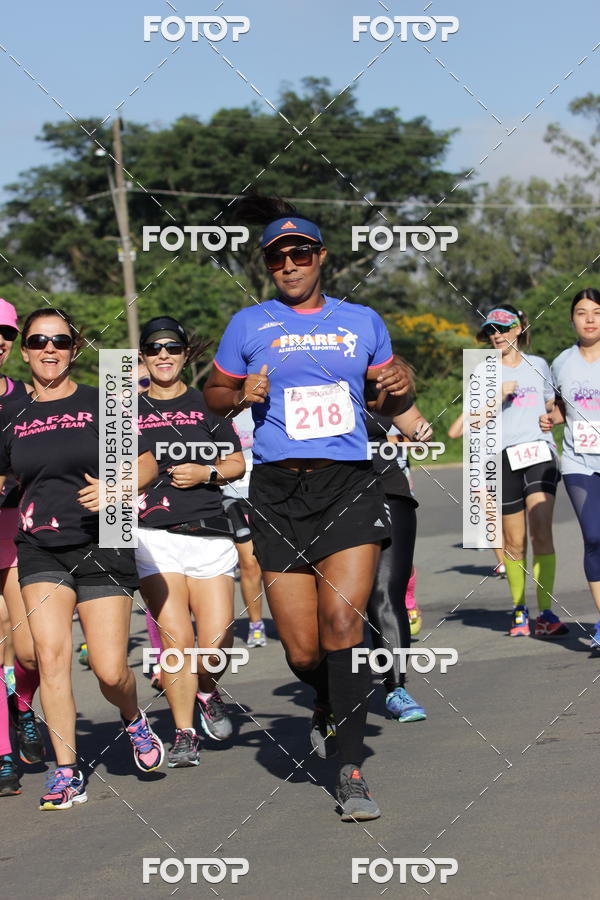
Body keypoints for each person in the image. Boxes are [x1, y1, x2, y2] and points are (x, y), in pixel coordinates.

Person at [204, 195, 411, 822]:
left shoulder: (362, 320)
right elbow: (213, 394)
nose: (289, 264)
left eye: (300, 253)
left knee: (344, 625)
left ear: (321, 257)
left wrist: (403, 383)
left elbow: (390, 390)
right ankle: (328, 698)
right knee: (301, 650)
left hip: (347, 484)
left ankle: (349, 771)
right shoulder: (248, 323)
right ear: (269, 265)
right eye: (278, 257)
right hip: (276, 492)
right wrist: (240, 390)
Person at [0, 307, 163, 810]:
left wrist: (117, 487)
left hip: (102, 540)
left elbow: (147, 462)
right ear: (24, 351)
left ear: (75, 347)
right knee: (50, 658)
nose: (50, 349)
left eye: (61, 341)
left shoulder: (104, 401)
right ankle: (66, 771)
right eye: (38, 341)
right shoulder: (9, 415)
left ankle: (133, 717)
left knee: (112, 670)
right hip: (39, 547)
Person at [136, 316, 245, 767]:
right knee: (176, 639)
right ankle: (183, 733)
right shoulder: (129, 412)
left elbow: (237, 461)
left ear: (185, 355)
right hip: (153, 537)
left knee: (216, 640)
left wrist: (208, 473)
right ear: (143, 356)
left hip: (208, 533)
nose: (164, 355)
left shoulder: (207, 406)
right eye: (155, 348)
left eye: (173, 348)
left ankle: (207, 690)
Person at [478, 305, 567, 637]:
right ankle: (519, 610)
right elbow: (471, 421)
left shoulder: (539, 365)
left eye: (503, 328)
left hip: (539, 452)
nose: (497, 335)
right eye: (491, 330)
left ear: (519, 329)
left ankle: (545, 612)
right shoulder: (483, 371)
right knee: (514, 542)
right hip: (501, 457)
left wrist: (551, 417)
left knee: (540, 530)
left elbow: (552, 406)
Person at [0, 299, 44, 798]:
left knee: (29, 650)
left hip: (18, 531)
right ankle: (4, 758)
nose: (0, 341)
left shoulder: (28, 399)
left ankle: (23, 703)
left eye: (7, 333)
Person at [541, 287, 600, 647]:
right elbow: (561, 408)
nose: (590, 319)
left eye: (596, 311)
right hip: (579, 460)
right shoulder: (561, 363)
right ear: (572, 319)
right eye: (581, 312)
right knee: (594, 537)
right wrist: (550, 418)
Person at [365, 397, 429, 723]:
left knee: (386, 590)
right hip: (327, 492)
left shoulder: (385, 384)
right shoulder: (307, 375)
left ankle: (396, 688)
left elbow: (413, 422)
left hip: (387, 484)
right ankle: (329, 693)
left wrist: (421, 430)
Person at [222, 406, 268, 648]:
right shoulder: (222, 412)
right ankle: (256, 623)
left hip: (268, 492)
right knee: (249, 563)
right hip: (234, 495)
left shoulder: (269, 406)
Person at [448, 411, 506, 578]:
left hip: (501, 472)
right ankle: (502, 563)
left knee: (507, 518)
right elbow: (453, 433)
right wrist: (465, 413)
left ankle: (514, 560)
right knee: (492, 517)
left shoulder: (500, 416)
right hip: (479, 476)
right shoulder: (472, 421)